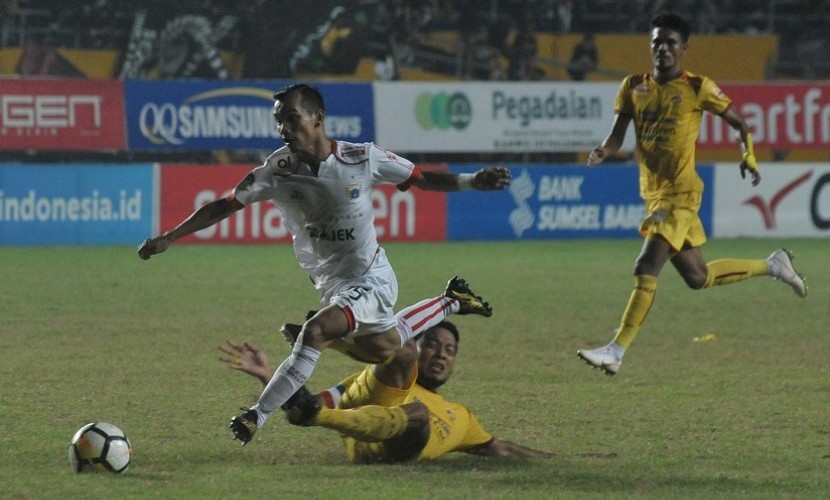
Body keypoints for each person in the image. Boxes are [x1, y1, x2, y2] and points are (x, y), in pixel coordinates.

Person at [137, 83, 511, 443]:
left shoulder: (362, 157)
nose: (284, 128)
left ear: (317, 118)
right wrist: (170, 235)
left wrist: (472, 181)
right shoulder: (277, 170)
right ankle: (451, 300)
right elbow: (224, 204)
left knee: (315, 331)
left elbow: (423, 179)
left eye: (291, 118)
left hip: (372, 279)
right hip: (331, 285)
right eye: (278, 121)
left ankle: (256, 415)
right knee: (385, 349)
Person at [576, 13, 807, 376]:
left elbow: (739, 124)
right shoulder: (633, 85)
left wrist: (748, 155)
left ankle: (616, 349)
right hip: (654, 195)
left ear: (684, 48)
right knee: (697, 277)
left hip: (680, 194)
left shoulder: (698, 86)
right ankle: (773, 265)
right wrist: (604, 150)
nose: (663, 48)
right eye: (656, 42)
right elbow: (618, 134)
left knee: (646, 265)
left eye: (670, 42)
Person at [219, 320, 554, 463]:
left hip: (403, 446)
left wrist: (553, 459)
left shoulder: (462, 417)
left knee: (419, 414)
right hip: (367, 445)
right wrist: (268, 376)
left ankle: (323, 404)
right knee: (410, 395)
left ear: (454, 362)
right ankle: (329, 337)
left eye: (449, 351)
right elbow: (301, 405)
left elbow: (502, 449)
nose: (440, 354)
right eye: (433, 345)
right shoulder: (363, 381)